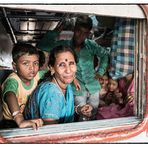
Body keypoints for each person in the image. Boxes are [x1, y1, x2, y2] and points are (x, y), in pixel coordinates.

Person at [37, 15, 109, 121]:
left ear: (88, 33)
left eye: (85, 33)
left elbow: (104, 55)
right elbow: (42, 45)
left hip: (93, 86)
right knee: (83, 116)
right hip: (77, 89)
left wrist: (100, 71)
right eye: (79, 31)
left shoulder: (91, 45)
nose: (81, 35)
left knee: (93, 114)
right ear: (74, 30)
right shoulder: (65, 45)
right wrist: (57, 30)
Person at [23, 45, 92, 125]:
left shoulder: (66, 85)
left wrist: (78, 109)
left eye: (71, 63)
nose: (68, 70)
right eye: (62, 65)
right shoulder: (51, 93)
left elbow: (61, 108)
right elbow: (51, 131)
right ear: (52, 68)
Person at [1, 43, 45, 129]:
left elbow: (55, 72)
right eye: (26, 63)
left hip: (28, 117)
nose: (32, 68)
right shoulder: (13, 80)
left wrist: (73, 78)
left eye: (35, 63)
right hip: (11, 121)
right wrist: (19, 119)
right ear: (14, 66)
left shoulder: (37, 75)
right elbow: (10, 95)